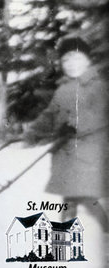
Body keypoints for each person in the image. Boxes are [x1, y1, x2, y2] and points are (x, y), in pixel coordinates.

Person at [24, 37, 109, 232]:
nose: (70, 64)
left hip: (91, 154)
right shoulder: (63, 89)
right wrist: (31, 133)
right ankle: (65, 241)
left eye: (76, 58)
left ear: (88, 60)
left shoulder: (99, 86)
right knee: (73, 197)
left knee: (85, 197)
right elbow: (49, 115)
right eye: (66, 60)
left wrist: (74, 126)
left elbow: (100, 115)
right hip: (68, 155)